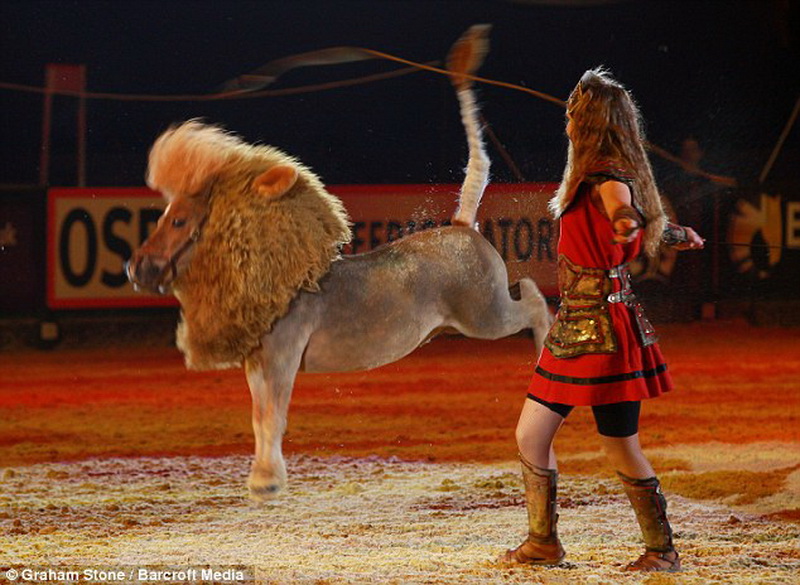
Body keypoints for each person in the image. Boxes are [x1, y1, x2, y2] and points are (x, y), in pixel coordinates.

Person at [500, 68, 704, 573]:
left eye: (574, 107)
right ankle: (544, 544)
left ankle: (661, 550)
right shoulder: (597, 174)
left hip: (603, 334)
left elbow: (620, 208)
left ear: (588, 119)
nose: (566, 115)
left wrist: (627, 222)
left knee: (617, 445)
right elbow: (623, 216)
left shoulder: (606, 177)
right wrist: (675, 235)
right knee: (538, 436)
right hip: (579, 326)